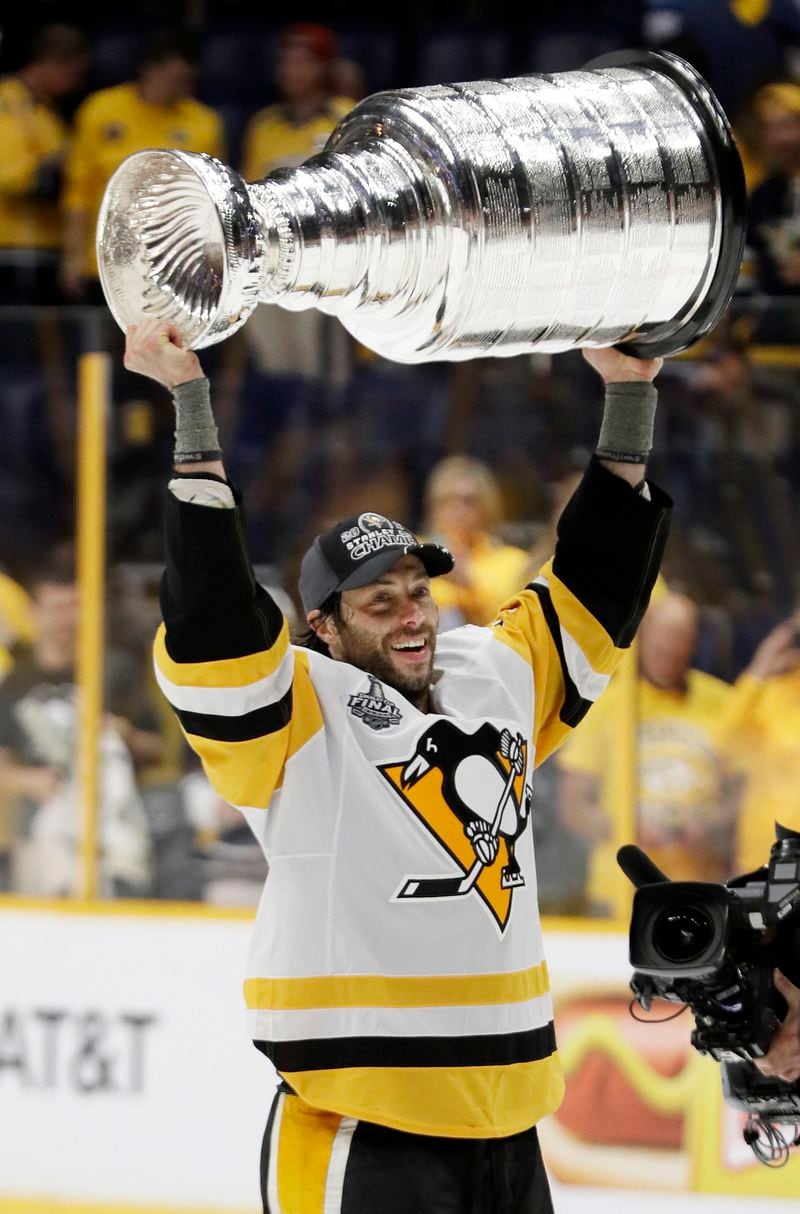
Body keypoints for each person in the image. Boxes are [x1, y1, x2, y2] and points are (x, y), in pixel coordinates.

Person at [124, 314, 670, 1212]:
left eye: (418, 592)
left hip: (510, 1123)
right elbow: (217, 622)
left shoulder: (490, 673)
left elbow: (595, 590)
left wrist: (629, 392)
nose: (413, 615)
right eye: (380, 603)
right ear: (325, 629)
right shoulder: (294, 715)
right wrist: (191, 409)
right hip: (361, 1127)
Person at [556, 591, 740, 915]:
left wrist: (710, 825)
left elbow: (741, 792)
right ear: (642, 641)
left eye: (679, 645)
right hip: (621, 893)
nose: (669, 656)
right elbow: (574, 805)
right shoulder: (608, 705)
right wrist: (627, 828)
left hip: (701, 886)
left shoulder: (722, 702)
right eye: (662, 646)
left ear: (694, 643)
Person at [0, 550, 152, 896]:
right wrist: (28, 780)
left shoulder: (115, 669)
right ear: (33, 613)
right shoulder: (14, 683)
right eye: (56, 608)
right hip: (46, 808)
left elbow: (160, 748)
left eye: (75, 607)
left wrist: (122, 733)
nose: (67, 620)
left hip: (111, 802)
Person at [61, 30, 224, 302]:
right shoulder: (100, 110)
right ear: (148, 69)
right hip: (105, 256)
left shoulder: (204, 123)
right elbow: (79, 189)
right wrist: (73, 255)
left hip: (174, 261)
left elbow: (212, 200)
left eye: (187, 79)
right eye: (173, 79)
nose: (181, 87)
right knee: (100, 341)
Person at [0, 24, 89, 304]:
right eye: (75, 73)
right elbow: (10, 176)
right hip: (14, 247)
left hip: (45, 243)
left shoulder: (46, 110)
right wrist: (57, 170)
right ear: (53, 62)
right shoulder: (9, 101)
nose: (78, 83)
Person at [422, 455, 533, 629]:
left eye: (468, 501)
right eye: (447, 500)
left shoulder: (514, 561)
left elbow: (512, 622)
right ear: (433, 507)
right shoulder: (415, 554)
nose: (458, 509)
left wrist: (468, 583)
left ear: (488, 506)